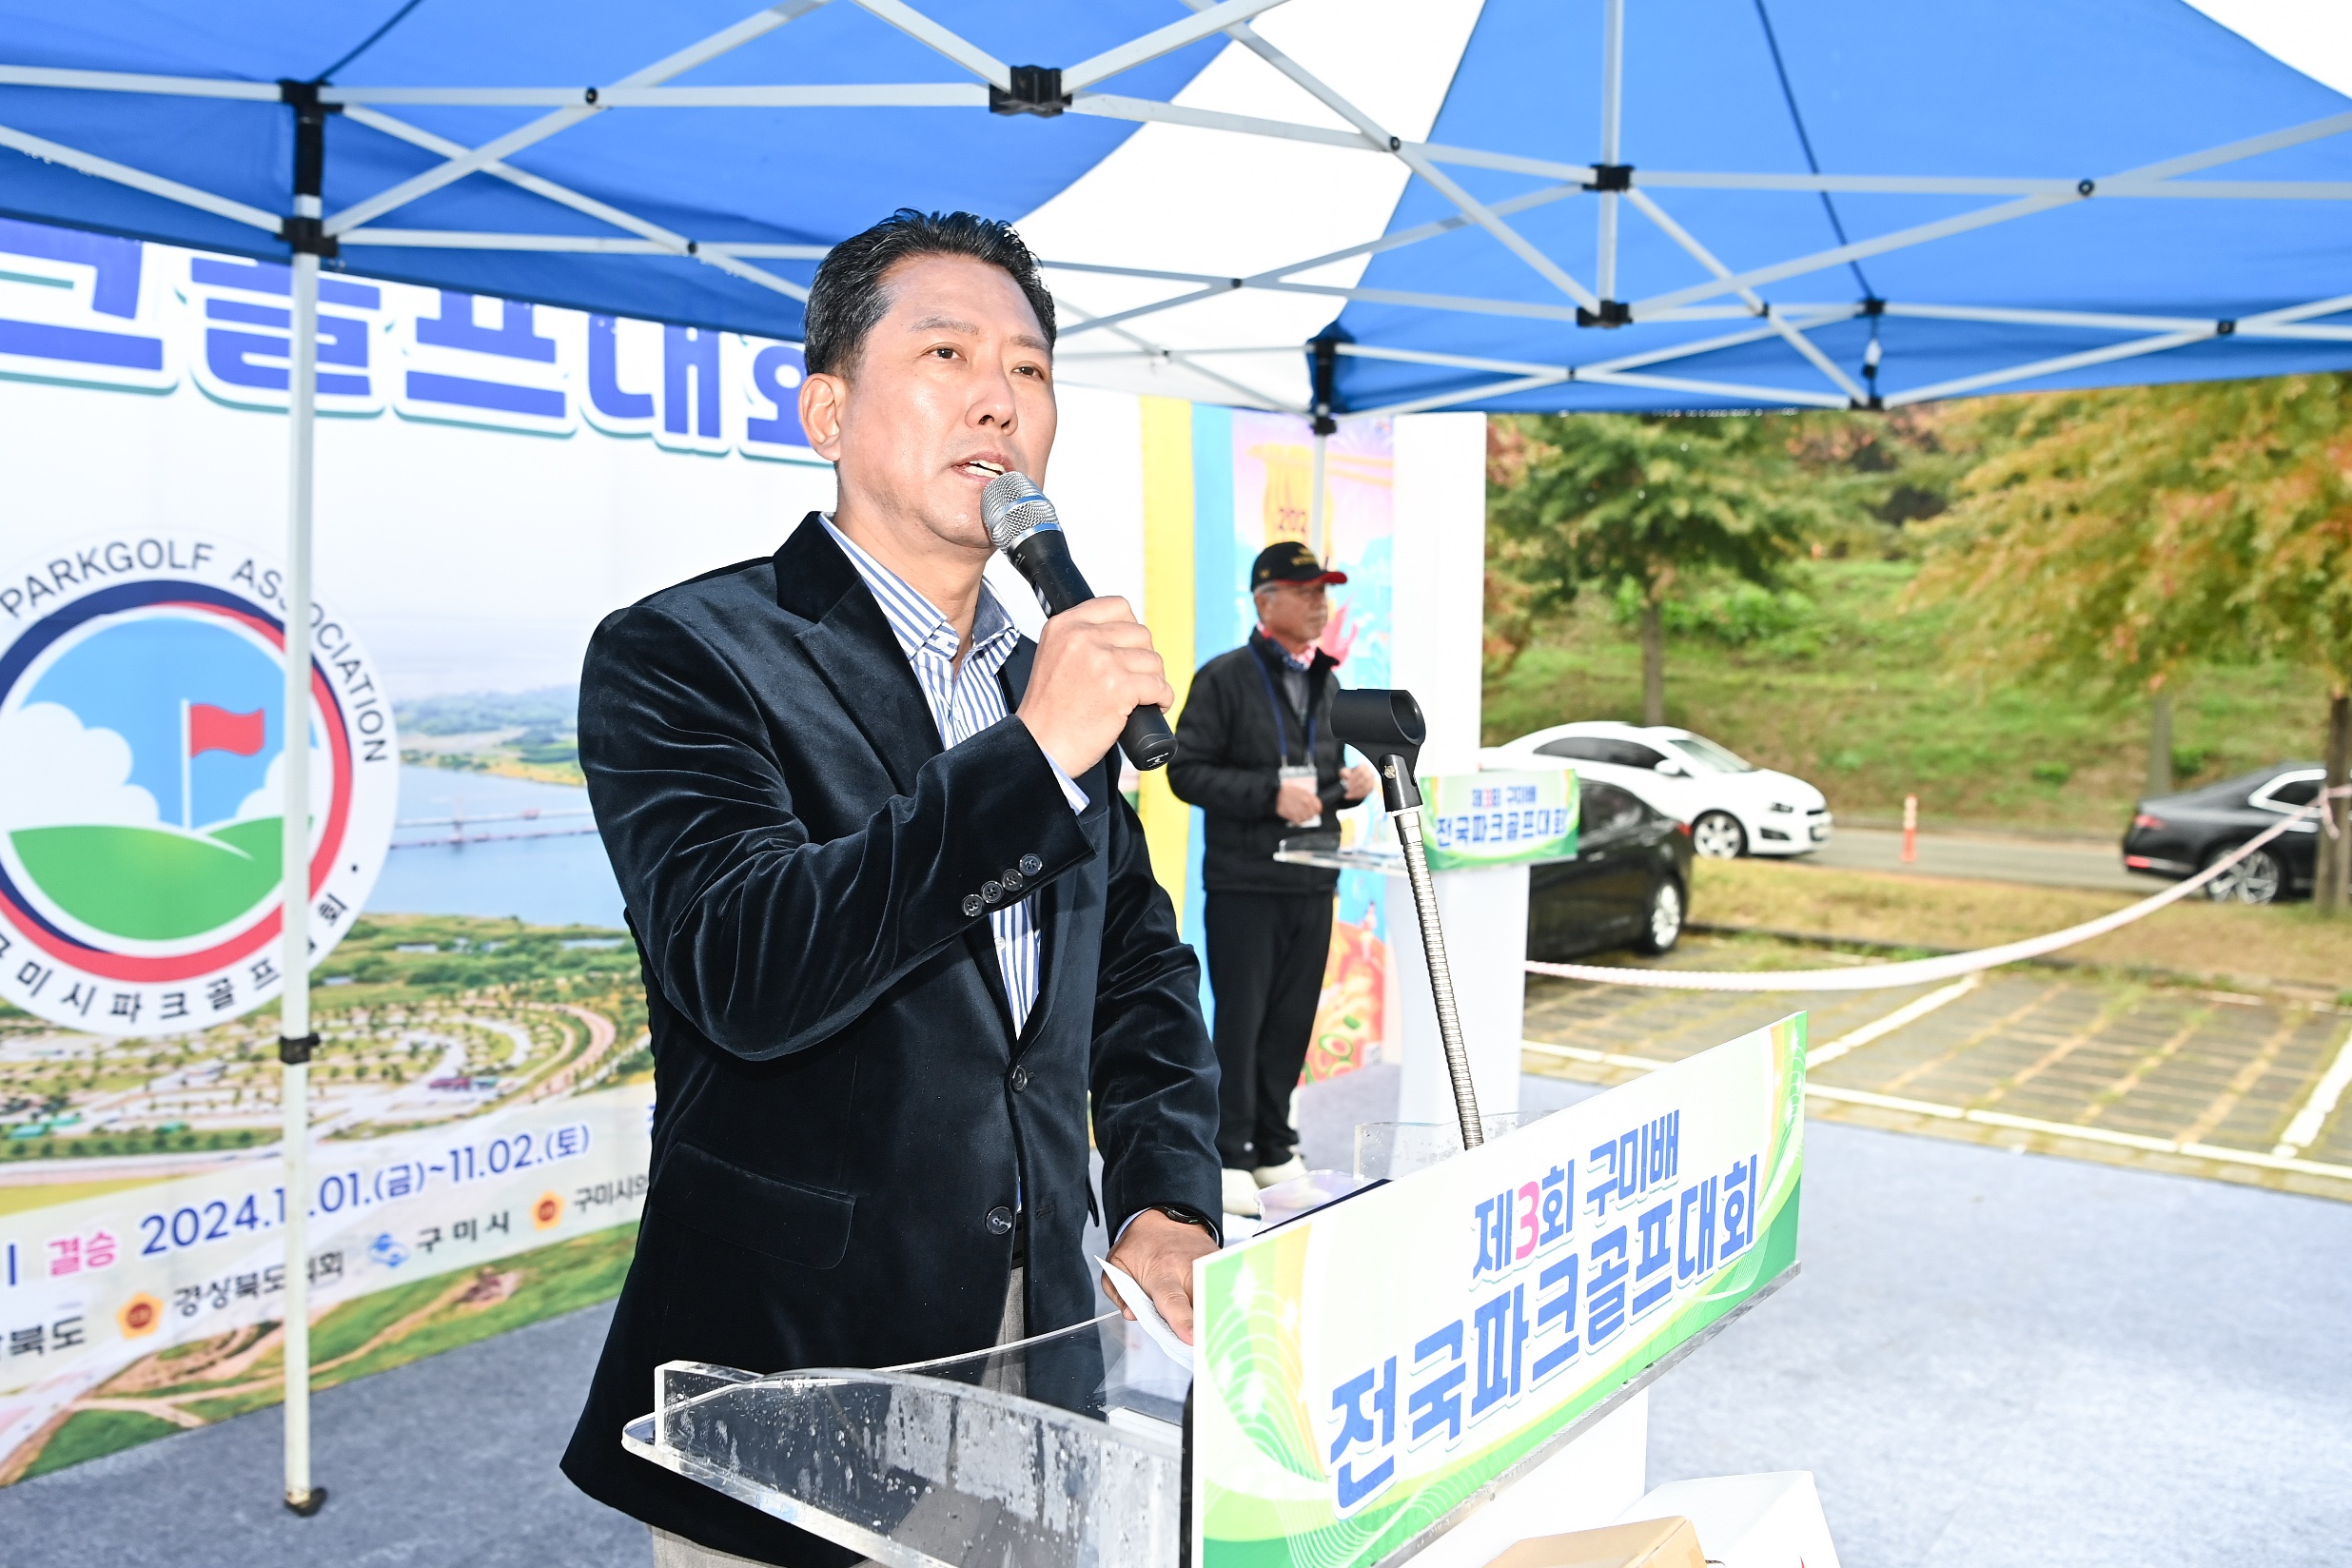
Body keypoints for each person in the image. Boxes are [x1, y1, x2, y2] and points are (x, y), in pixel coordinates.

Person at [559, 209, 1223, 1568]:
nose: (1000, 397)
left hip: (1045, 1346)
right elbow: (748, 966)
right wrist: (1033, 758)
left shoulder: (1047, 678)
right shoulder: (687, 653)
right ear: (827, 409)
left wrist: (1166, 1198)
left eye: (1030, 369)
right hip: (795, 1373)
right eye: (946, 353)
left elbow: (1138, 971)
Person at [1168, 542, 1377, 1218]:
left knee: (1291, 1020)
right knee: (1242, 1020)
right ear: (1265, 601)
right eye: (1306, 591)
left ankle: (1274, 1145)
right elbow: (1185, 772)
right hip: (1247, 881)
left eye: (1324, 591)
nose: (1321, 604)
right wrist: (1268, 793)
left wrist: (1347, 787)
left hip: (1313, 878)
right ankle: (1228, 1151)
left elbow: (1314, 783)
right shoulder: (1224, 677)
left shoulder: (1328, 681)